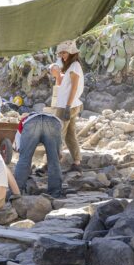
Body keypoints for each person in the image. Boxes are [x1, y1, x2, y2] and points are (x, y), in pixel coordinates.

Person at [13, 111, 64, 197]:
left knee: (24, 159)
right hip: (53, 122)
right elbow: (59, 153)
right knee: (54, 161)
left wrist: (22, 152)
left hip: (31, 124)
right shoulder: (54, 118)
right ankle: (55, 193)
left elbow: (19, 149)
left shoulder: (24, 121)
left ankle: (16, 192)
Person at [51, 40, 84, 172]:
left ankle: (52, 163)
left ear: (71, 52)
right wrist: (57, 75)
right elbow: (62, 85)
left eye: (64, 52)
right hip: (68, 104)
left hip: (67, 105)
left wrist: (67, 106)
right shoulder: (70, 67)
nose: (62, 55)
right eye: (61, 53)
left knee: (57, 134)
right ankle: (77, 162)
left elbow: (74, 88)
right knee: (70, 135)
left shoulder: (75, 66)